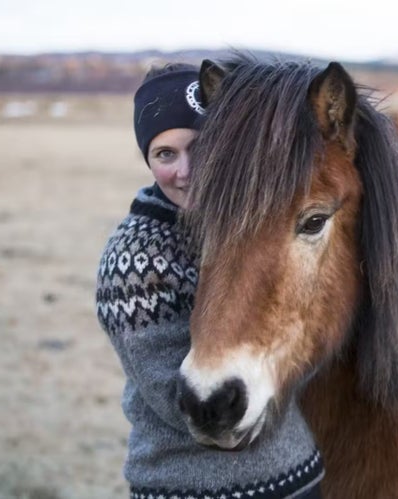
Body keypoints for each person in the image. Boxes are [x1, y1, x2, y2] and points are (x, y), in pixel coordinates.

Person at [96, 63, 324, 499]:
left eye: (200, 148)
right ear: (148, 160)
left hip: (298, 478)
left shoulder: (247, 230)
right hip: (195, 489)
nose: (186, 170)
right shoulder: (134, 258)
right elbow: (189, 406)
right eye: (165, 154)